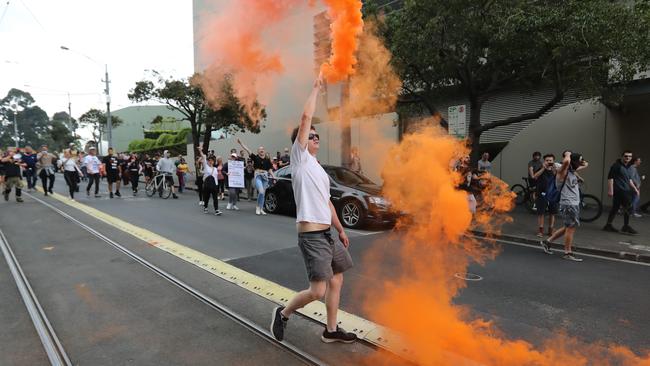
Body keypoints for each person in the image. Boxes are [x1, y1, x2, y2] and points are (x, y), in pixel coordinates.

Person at [270, 75, 356, 344]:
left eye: (318, 136)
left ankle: (330, 330)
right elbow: (306, 118)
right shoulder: (299, 159)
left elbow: (327, 202)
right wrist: (316, 88)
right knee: (317, 291)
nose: (316, 138)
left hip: (328, 234)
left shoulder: (317, 168)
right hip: (311, 236)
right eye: (312, 136)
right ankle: (283, 313)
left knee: (338, 280)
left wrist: (340, 230)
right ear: (303, 141)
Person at [540, 152, 588, 261]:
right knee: (570, 228)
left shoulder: (571, 171)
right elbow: (566, 162)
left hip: (573, 203)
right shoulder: (562, 172)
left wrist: (580, 160)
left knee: (568, 226)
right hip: (568, 204)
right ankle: (567, 252)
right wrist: (568, 154)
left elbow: (586, 164)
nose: (580, 163)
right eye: (578, 161)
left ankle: (547, 242)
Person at [603, 151, 639, 234]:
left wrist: (635, 189)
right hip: (619, 190)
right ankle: (626, 226)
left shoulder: (628, 167)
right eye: (626, 156)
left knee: (615, 208)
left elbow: (629, 180)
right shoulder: (616, 166)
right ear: (622, 156)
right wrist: (610, 190)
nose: (628, 158)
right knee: (628, 207)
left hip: (626, 190)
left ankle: (608, 225)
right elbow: (610, 178)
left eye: (630, 156)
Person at [237, 138, 275, 215]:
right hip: (258, 176)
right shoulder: (255, 157)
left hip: (265, 177)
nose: (261, 150)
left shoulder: (267, 160)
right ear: (258, 151)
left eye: (263, 149)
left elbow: (270, 169)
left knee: (263, 194)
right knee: (261, 191)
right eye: (260, 149)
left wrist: (273, 177)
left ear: (264, 151)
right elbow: (248, 149)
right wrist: (241, 143)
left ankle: (261, 208)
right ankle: (257, 207)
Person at [532, 154, 559, 237]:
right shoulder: (541, 168)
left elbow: (559, 178)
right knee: (541, 213)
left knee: (552, 213)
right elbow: (534, 177)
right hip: (541, 193)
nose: (549, 162)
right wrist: (543, 168)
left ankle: (550, 230)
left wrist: (555, 169)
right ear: (544, 161)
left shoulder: (555, 169)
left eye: (550, 160)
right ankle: (540, 231)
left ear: (553, 161)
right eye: (547, 160)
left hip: (553, 194)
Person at [199, 146, 222, 215]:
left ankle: (216, 210)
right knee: (207, 197)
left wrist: (217, 185)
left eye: (212, 160)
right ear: (207, 161)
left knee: (215, 198)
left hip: (214, 185)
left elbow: (216, 177)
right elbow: (203, 157)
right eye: (209, 160)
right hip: (207, 185)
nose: (211, 161)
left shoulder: (215, 169)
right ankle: (205, 207)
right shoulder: (206, 167)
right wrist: (200, 150)